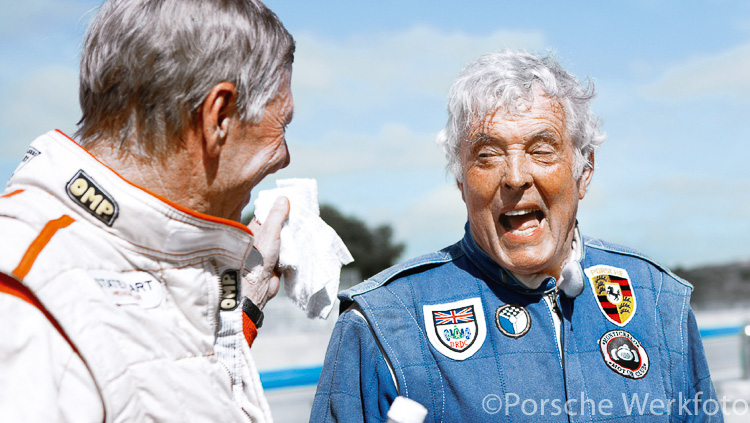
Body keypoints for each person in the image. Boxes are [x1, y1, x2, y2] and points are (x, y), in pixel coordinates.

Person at [311, 51, 720, 422]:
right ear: (460, 180)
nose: (515, 177)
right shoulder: (383, 323)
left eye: (542, 150)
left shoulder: (658, 301)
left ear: (585, 169)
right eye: (487, 155)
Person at [0, 0, 294, 421]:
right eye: (282, 125)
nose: (285, 156)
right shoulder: (25, 304)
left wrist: (241, 306)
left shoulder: (124, 263)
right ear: (219, 116)